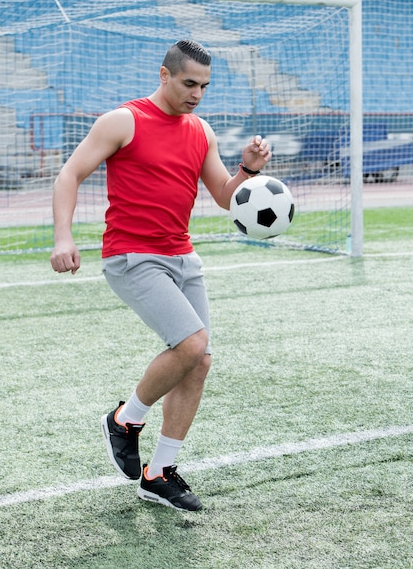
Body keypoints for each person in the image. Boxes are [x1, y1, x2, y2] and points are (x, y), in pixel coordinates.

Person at [50, 39, 271, 512]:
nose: (197, 93)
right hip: (132, 257)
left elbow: (223, 196)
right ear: (164, 75)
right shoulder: (122, 121)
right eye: (190, 83)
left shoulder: (201, 130)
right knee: (190, 343)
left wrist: (247, 171)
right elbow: (68, 175)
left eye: (205, 86)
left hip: (182, 257)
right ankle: (125, 420)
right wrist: (63, 237)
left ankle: (158, 474)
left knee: (201, 359)